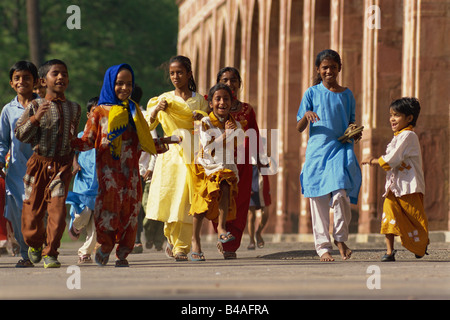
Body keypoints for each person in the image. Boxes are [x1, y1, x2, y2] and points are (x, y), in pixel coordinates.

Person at [72, 64, 156, 267]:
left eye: (129, 84)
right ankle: (105, 246)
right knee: (107, 212)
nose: (125, 88)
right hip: (108, 173)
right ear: (110, 84)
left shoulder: (134, 111)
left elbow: (145, 143)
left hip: (131, 174)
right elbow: (87, 140)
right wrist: (67, 141)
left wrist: (164, 143)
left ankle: (123, 253)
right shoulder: (99, 112)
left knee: (131, 212)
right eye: (119, 83)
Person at [296, 49, 362, 262]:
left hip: (339, 149)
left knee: (341, 195)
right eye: (325, 67)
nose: (329, 71)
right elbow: (298, 127)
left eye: (333, 67)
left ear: (339, 68)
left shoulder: (347, 94)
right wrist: (306, 115)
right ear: (318, 69)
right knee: (318, 201)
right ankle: (323, 247)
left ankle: (340, 238)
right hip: (317, 152)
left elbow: (351, 120)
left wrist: (355, 130)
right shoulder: (312, 93)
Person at [14, 59, 81, 268]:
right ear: (43, 81)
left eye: (64, 73)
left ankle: (51, 252)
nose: (61, 77)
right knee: (32, 214)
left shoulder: (75, 108)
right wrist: (35, 119)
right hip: (38, 165)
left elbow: (72, 138)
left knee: (58, 213)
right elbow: (20, 134)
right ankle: (34, 243)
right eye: (56, 74)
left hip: (62, 168)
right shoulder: (35, 105)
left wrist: (78, 154)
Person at [145, 55, 209, 261]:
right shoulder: (163, 99)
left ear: (189, 73)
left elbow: (208, 127)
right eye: (172, 73)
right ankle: (171, 240)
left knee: (187, 201)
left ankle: (182, 246)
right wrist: (156, 110)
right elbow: (148, 127)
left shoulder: (199, 100)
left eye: (179, 72)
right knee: (171, 199)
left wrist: (203, 119)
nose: (175, 76)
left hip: (192, 155)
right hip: (170, 157)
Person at [362, 97, 428, 262]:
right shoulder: (397, 137)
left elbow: (392, 159)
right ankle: (390, 251)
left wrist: (372, 160)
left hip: (409, 187)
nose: (392, 118)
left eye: (397, 115)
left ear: (409, 118)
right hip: (394, 187)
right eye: (391, 115)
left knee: (415, 219)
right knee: (388, 215)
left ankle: (421, 244)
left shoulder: (408, 136)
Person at [213, 67, 265, 259]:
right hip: (218, 163)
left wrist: (261, 160)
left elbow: (255, 135)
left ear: (239, 83)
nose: (229, 84)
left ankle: (231, 245)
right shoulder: (211, 105)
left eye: (233, 80)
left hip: (241, 165)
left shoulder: (246, 109)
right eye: (225, 80)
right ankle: (222, 232)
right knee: (218, 200)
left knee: (241, 203)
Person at [189, 83, 241, 261]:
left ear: (231, 103)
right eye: (217, 99)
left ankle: (221, 228)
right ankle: (195, 240)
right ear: (210, 103)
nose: (222, 103)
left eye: (226, 99)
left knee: (226, 186)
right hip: (205, 166)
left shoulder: (233, 123)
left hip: (223, 166)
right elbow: (208, 147)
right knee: (203, 204)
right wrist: (226, 135)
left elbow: (237, 144)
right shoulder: (205, 122)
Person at [0, 61, 38, 267]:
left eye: (26, 77)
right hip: (15, 172)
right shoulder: (8, 110)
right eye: (17, 78)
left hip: (40, 169)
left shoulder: (45, 105)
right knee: (17, 215)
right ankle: (25, 254)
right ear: (12, 83)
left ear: (35, 82)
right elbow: (2, 141)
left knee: (36, 214)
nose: (22, 81)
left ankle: (38, 246)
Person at [66, 97, 99, 264]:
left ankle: (85, 252)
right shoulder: (81, 135)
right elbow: (73, 152)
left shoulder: (107, 136)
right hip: (83, 182)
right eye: (95, 111)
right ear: (88, 114)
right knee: (84, 212)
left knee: (96, 222)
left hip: (100, 183)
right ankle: (76, 226)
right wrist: (75, 164)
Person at [247, 164, 271, 250]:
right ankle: (251, 241)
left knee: (266, 212)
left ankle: (258, 232)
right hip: (250, 178)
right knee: (251, 215)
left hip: (263, 180)